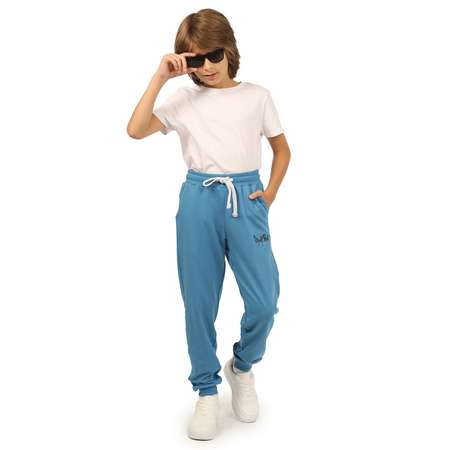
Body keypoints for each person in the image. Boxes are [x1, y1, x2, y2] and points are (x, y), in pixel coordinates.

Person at [127, 8, 291, 441]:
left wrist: (270, 193)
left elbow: (282, 150)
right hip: (199, 199)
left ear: (229, 50)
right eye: (195, 60)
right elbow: (135, 130)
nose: (207, 67)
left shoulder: (257, 96)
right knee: (199, 301)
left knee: (265, 301)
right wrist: (161, 77)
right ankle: (205, 389)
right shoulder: (184, 99)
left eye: (213, 55)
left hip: (246, 199)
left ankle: (242, 366)